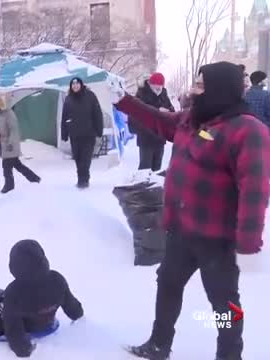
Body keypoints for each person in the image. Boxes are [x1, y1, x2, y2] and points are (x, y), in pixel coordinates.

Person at [110, 61, 270, 360]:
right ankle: (159, 344)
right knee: (168, 284)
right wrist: (124, 101)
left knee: (225, 305)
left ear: (219, 89)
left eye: (201, 86)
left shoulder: (248, 130)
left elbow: (256, 188)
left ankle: (229, 355)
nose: (194, 90)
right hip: (181, 229)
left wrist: (248, 240)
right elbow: (159, 120)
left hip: (216, 237)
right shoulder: (193, 120)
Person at [0, 240, 84, 357]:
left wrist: (24, 349)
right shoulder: (57, 279)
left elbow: (13, 330)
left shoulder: (14, 291)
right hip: (42, 319)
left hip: (25, 326)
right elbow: (72, 307)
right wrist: (78, 314)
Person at [61, 77, 103, 188]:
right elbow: (64, 116)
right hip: (74, 134)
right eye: (73, 84)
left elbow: (97, 113)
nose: (75, 86)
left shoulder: (90, 96)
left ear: (81, 84)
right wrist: (64, 133)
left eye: (77, 83)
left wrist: (99, 129)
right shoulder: (68, 98)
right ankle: (80, 178)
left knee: (86, 158)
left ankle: (84, 180)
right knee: (78, 158)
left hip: (88, 133)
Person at [128, 72, 175, 172]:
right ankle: (143, 186)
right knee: (145, 168)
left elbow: (172, 111)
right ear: (150, 84)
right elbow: (136, 114)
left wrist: (168, 112)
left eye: (160, 86)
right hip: (146, 138)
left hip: (160, 137)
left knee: (157, 167)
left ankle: (154, 186)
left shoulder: (163, 94)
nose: (158, 89)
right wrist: (158, 111)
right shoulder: (141, 94)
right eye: (156, 86)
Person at [0, 95, 41, 194]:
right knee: (17, 165)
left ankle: (9, 186)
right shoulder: (1, 114)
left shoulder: (9, 114)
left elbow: (14, 130)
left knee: (7, 167)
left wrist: (10, 143)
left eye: (2, 102)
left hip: (10, 145)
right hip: (5, 144)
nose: (0, 104)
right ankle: (34, 179)